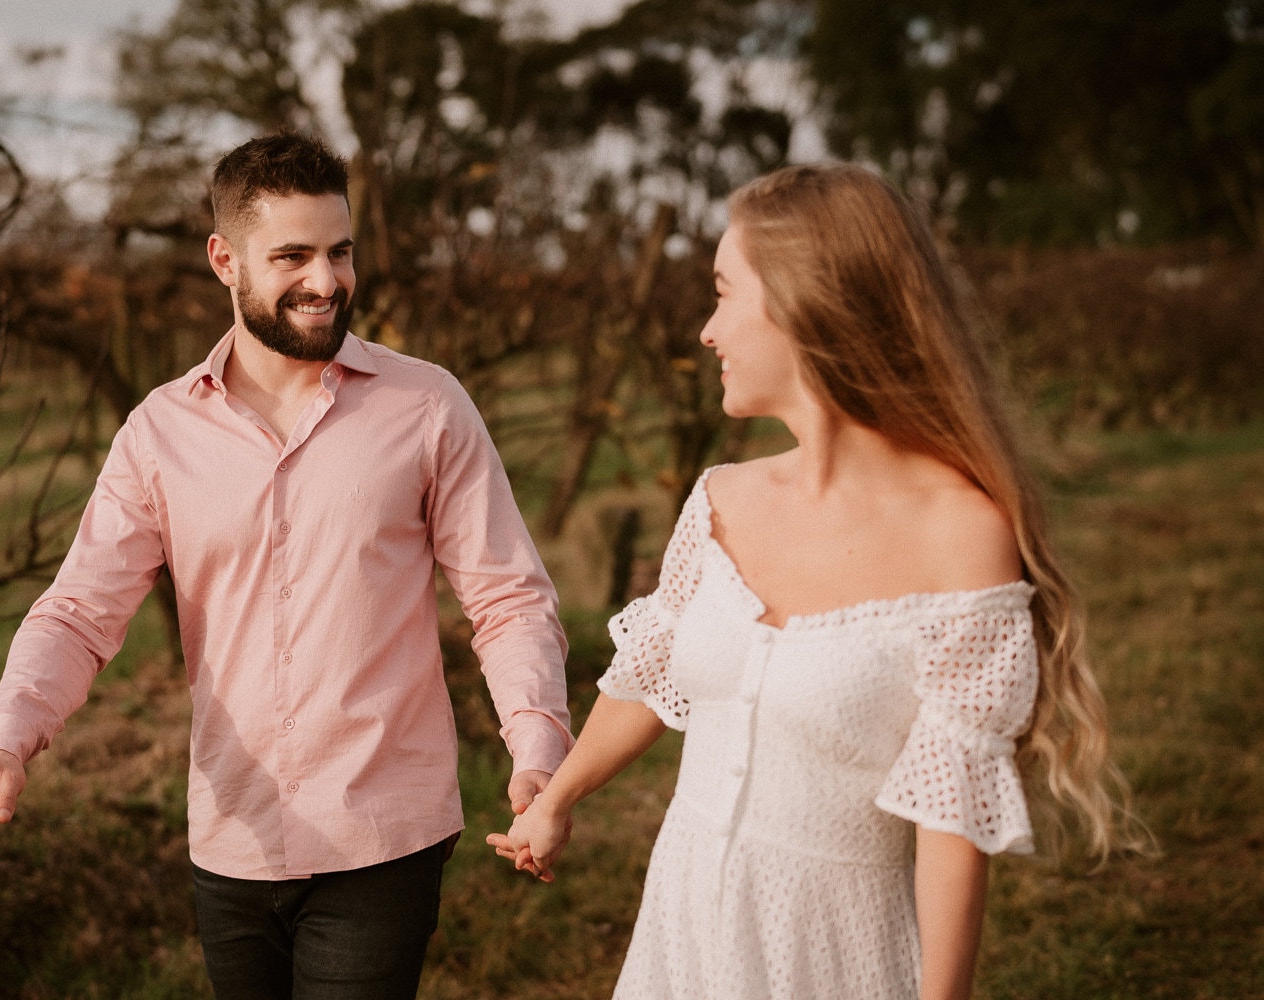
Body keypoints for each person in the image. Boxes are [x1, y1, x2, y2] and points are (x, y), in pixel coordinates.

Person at [488, 163, 1143, 1000]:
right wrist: (558, 799)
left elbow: (951, 823)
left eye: (724, 294)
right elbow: (653, 671)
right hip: (681, 932)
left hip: (835, 953)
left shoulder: (961, 533)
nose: (706, 331)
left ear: (805, 304)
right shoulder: (720, 499)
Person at [0, 132, 574, 1000]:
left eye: (341, 251)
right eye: (293, 256)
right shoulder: (159, 433)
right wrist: (5, 736)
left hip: (382, 834)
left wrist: (538, 749)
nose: (327, 281)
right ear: (224, 260)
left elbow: (506, 598)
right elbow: (80, 611)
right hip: (231, 836)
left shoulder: (427, 406)